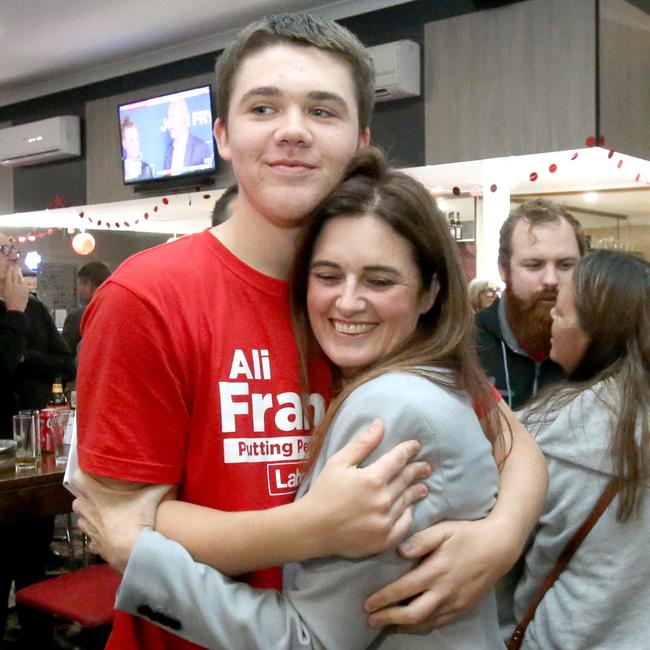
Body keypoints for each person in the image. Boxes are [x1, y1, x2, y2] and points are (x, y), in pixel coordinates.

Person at [74, 14, 546, 649]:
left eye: (322, 111)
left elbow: (513, 441)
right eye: (263, 107)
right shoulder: (148, 297)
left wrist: (500, 539)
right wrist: (313, 527)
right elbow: (126, 529)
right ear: (222, 135)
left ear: (360, 142)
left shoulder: (368, 308)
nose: (292, 131)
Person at [500, 249, 650, 649]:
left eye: (562, 313)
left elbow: (501, 562)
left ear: (597, 331)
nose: (551, 318)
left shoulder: (544, 433)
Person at [0, 233, 76, 645]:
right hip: (2, 468)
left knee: (33, 562)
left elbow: (65, 362)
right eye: (5, 250)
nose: (14, 256)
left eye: (14, 248)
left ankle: (38, 639)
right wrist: (12, 315)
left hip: (34, 454)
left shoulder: (35, 309)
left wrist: (29, 357)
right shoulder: (16, 310)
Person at [475, 199, 586, 409]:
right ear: (503, 269)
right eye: (534, 265)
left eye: (566, 265)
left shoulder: (601, 350)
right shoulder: (464, 347)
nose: (551, 280)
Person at [62, 260, 111, 357]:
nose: (79, 289)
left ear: (89, 284)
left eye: (80, 284)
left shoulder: (78, 316)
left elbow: (65, 355)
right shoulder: (119, 312)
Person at [163, 99, 213, 174]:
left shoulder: (201, 147)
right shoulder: (168, 151)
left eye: (173, 117)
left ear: (184, 118)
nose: (169, 122)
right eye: (168, 117)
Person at [121, 117, 153, 181]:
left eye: (137, 139)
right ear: (124, 144)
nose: (136, 144)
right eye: (131, 140)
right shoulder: (119, 169)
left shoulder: (146, 168)